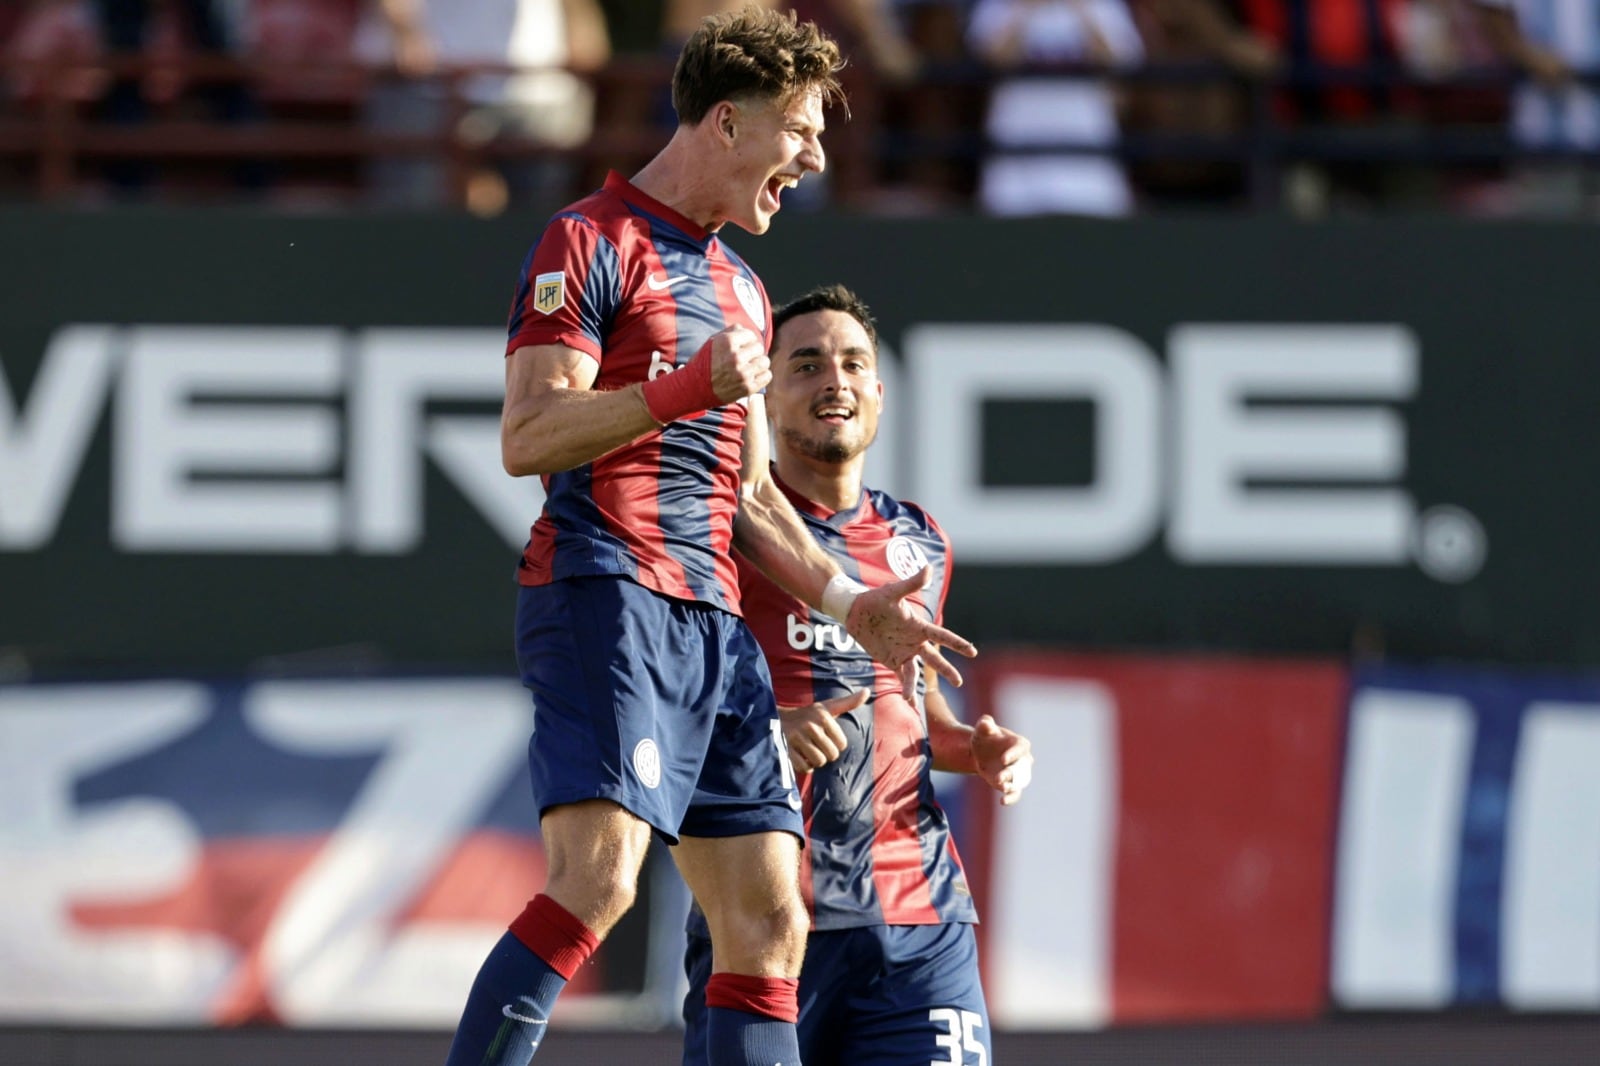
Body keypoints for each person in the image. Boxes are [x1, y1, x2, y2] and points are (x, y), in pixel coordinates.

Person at [444, 10, 977, 1066]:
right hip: (609, 590)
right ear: (727, 123)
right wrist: (682, 385)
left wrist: (847, 601)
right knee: (596, 882)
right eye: (799, 131)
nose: (815, 158)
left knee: (769, 925)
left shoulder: (740, 285)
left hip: (714, 626)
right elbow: (529, 434)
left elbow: (745, 499)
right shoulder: (587, 241)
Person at [681, 284, 1035, 1066]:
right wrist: (766, 734)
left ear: (878, 392)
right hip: (766, 921)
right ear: (763, 396)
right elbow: (661, 705)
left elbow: (914, 705)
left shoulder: (919, 541)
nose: (833, 381)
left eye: (852, 364)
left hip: (922, 921)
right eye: (805, 365)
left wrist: (973, 747)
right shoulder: (717, 531)